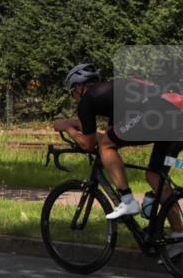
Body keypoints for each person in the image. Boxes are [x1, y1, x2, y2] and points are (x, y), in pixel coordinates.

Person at [53, 63, 183, 258]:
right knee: (155, 176)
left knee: (106, 145)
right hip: (174, 111)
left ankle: (127, 199)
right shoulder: (112, 92)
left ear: (80, 87)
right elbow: (111, 132)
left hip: (157, 112)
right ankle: (179, 236)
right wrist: (79, 126)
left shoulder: (87, 100)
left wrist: (67, 127)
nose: (75, 97)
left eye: (73, 92)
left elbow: (90, 144)